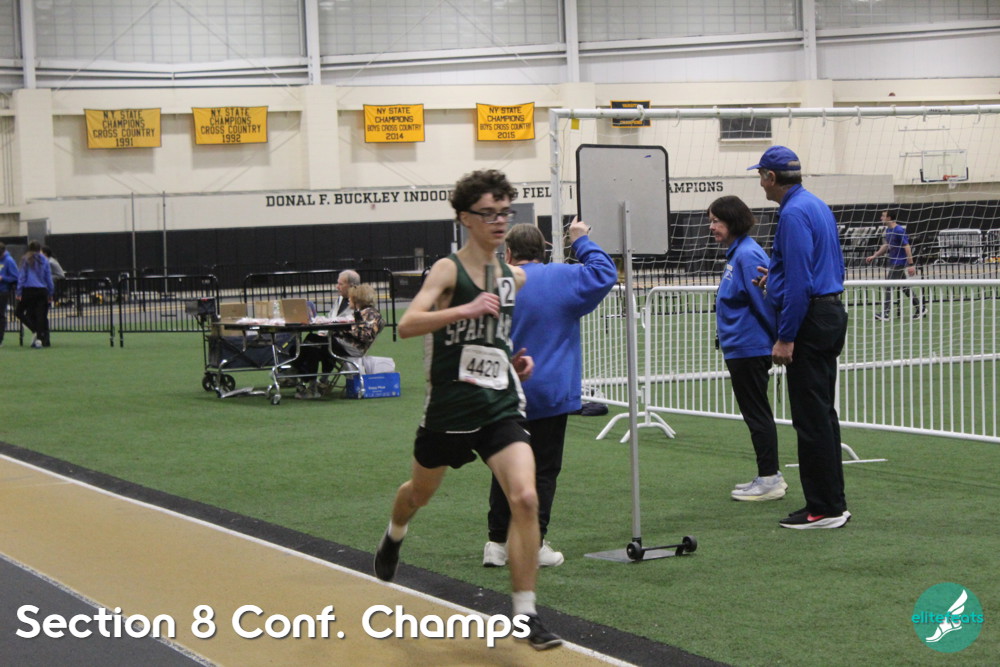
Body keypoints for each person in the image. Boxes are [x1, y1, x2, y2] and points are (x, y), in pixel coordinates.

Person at [373, 169, 562, 650]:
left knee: (525, 498)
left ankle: (525, 614)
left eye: (505, 212)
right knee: (418, 493)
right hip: (449, 411)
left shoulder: (513, 277)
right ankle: (395, 533)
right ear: (465, 218)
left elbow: (495, 339)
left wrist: (513, 362)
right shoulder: (446, 270)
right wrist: (465, 309)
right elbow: (409, 324)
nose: (499, 221)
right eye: (488, 213)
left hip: (498, 405)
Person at [482, 218, 617, 569]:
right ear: (542, 250)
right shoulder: (562, 277)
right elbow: (605, 273)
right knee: (542, 470)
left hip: (503, 390)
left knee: (505, 467)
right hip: (549, 392)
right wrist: (580, 240)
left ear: (508, 253)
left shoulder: (497, 281)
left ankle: (497, 543)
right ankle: (533, 543)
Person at [748, 146, 850, 530]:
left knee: (810, 419)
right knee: (822, 414)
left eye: (761, 176)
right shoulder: (816, 205)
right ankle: (832, 502)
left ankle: (823, 509)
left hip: (810, 320)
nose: (760, 184)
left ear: (771, 177)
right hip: (829, 313)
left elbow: (800, 283)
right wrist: (776, 278)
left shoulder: (791, 214)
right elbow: (822, 267)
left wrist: (785, 336)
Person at [707, 195, 784, 502]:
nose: (711, 227)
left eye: (716, 221)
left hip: (750, 348)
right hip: (741, 347)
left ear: (733, 221)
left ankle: (770, 478)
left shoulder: (748, 255)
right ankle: (768, 475)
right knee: (754, 413)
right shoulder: (738, 254)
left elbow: (765, 303)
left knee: (757, 414)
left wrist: (778, 340)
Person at [295, 284, 384, 399]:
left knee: (312, 342)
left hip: (352, 348)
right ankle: (310, 378)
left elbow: (366, 336)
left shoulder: (370, 314)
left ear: (358, 299)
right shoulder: (362, 312)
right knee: (312, 343)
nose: (348, 301)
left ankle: (307, 379)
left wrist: (341, 328)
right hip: (345, 344)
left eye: (351, 298)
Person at [865, 210, 926, 320]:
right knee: (904, 287)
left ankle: (885, 313)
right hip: (894, 262)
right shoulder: (888, 230)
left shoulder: (899, 230)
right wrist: (875, 255)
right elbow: (886, 245)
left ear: (889, 218)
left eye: (883, 216)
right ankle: (920, 308)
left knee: (889, 285)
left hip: (899, 263)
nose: (881, 218)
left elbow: (907, 247)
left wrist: (911, 265)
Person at [16, 240, 55, 349]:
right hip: (42, 290)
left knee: (19, 312)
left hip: (28, 290)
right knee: (40, 315)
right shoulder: (44, 260)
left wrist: (19, 291)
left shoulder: (26, 259)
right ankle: (39, 340)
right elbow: (48, 278)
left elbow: (22, 277)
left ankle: (34, 329)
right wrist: (51, 292)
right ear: (39, 249)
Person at [0, 243, 18, 347]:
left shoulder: (9, 261)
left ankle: (0, 339)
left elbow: (15, 277)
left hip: (3, 291)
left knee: (0, 315)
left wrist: (3, 278)